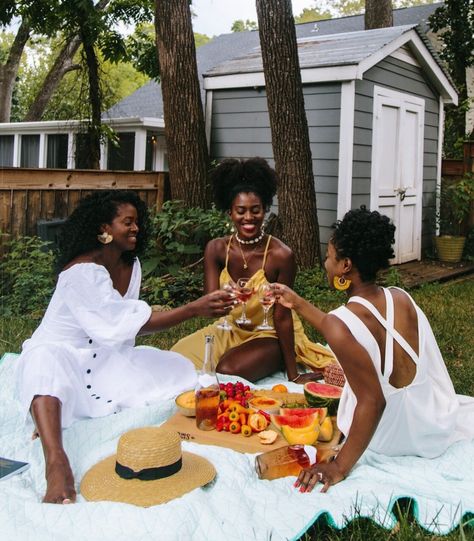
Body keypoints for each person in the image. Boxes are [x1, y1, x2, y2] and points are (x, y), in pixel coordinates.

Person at [15, 190, 234, 505]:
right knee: (43, 366)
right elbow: (120, 323)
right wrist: (193, 309)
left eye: (137, 222)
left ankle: (69, 412)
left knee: (178, 369)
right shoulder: (81, 272)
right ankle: (56, 462)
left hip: (104, 358)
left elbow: (121, 329)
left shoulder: (132, 265)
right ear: (104, 229)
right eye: (127, 222)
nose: (136, 229)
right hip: (60, 354)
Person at [271, 207, 474, 493]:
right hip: (430, 424)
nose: (326, 263)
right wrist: (299, 303)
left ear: (345, 266)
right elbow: (342, 327)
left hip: (390, 436)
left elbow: (373, 402)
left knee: (358, 398)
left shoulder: (340, 324)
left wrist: (339, 465)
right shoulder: (401, 298)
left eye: (330, 257)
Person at [171, 158, 335, 383]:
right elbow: (211, 307)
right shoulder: (216, 249)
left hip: (269, 333)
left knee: (226, 370)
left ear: (265, 210)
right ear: (230, 212)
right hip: (229, 328)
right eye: (241, 210)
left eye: (255, 210)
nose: (248, 218)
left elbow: (282, 316)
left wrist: (293, 374)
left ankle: (276, 357)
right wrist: (221, 298)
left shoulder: (281, 255)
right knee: (175, 359)